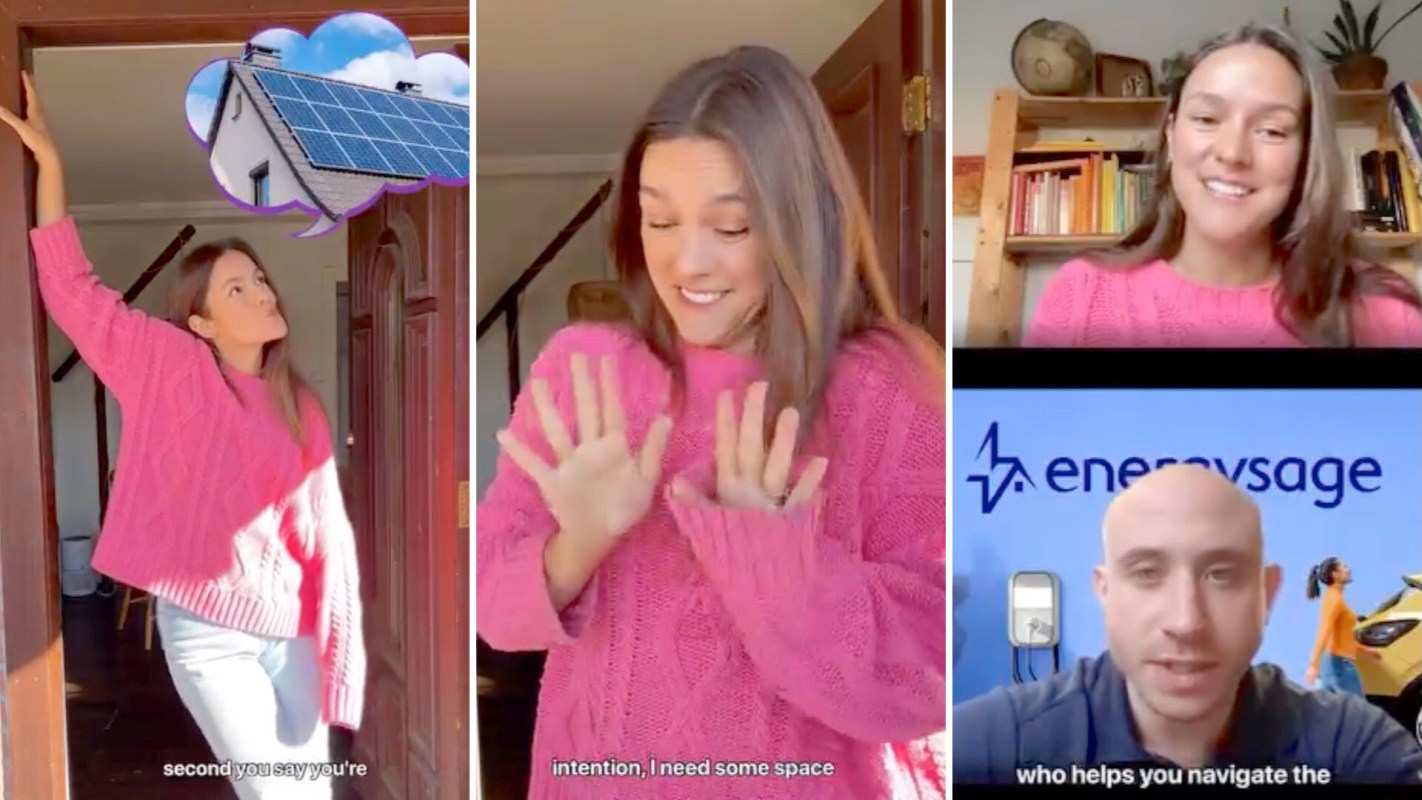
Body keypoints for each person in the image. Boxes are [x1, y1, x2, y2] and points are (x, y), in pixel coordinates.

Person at [476, 45, 947, 800]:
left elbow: (931, 679)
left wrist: (774, 558)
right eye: (659, 220)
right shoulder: (583, 369)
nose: (686, 262)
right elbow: (494, 614)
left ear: (802, 223)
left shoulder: (887, 388)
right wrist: (580, 542)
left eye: (730, 228)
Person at [0, 72, 364, 800]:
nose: (262, 292)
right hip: (209, 632)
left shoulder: (300, 404)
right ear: (201, 323)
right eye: (236, 289)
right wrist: (52, 165)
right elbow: (72, 291)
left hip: (291, 627)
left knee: (311, 792)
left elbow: (327, 536)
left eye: (259, 278)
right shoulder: (170, 368)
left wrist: (340, 653)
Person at [952, 464, 1422, 784]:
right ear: (1105, 591)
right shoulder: (991, 745)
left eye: (1221, 575)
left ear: (1267, 593)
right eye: (1147, 573)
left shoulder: (1357, 749)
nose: (1186, 621)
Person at [1023, 23, 1422, 347]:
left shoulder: (1384, 316)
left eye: (1271, 130)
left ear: (1305, 155)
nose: (1232, 153)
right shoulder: (1082, 297)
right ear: (1171, 135)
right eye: (1207, 119)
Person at [1304, 556, 1380, 695]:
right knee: (1357, 707)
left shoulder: (1334, 597)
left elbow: (1340, 635)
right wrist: (1313, 665)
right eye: (1344, 567)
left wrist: (1364, 650)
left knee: (1328, 707)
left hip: (1332, 663)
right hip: (1338, 664)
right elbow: (1324, 632)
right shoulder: (1334, 599)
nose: (1348, 569)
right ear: (1335, 574)